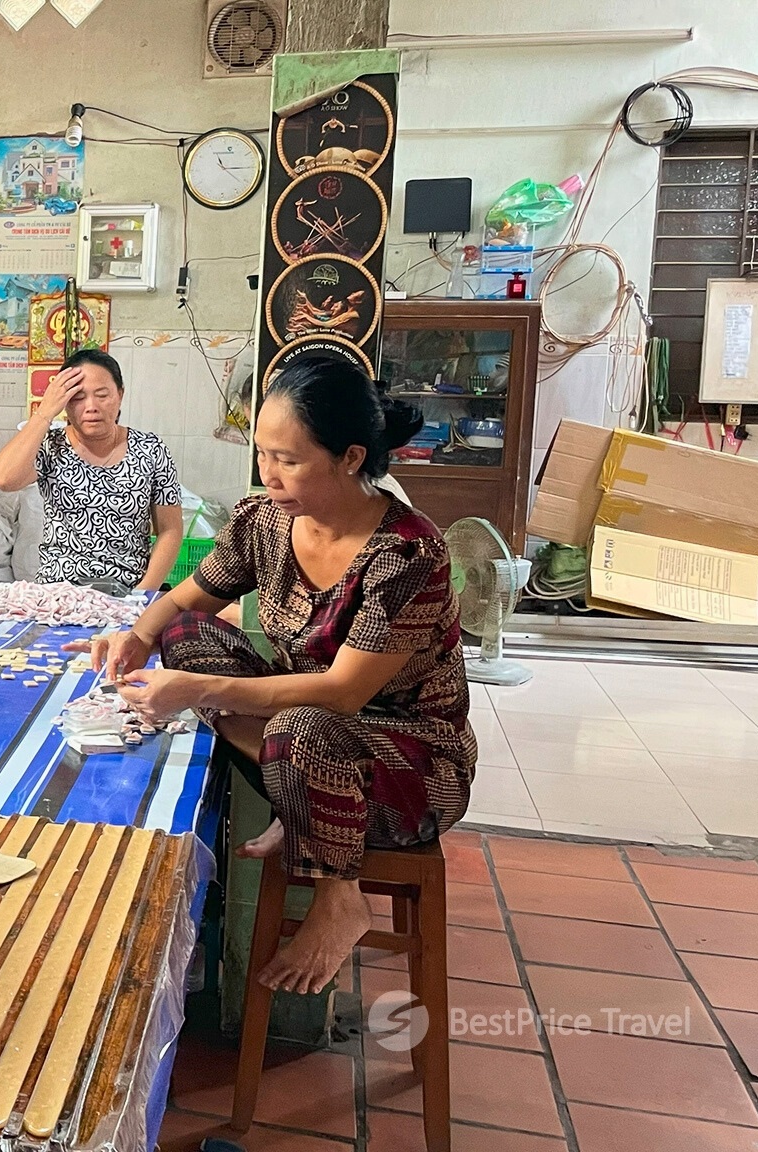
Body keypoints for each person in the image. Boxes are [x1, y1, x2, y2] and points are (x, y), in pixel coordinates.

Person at [80, 355, 475, 997]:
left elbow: (343, 692)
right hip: (302, 725)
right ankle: (301, 797)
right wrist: (139, 636)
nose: (268, 474)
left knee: (301, 733)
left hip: (409, 760)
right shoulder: (266, 520)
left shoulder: (407, 552)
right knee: (187, 638)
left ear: (350, 458)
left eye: (288, 460)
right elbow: (186, 600)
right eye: (262, 454)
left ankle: (340, 896)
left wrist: (198, 691)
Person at [0, 348, 183, 591]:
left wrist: (143, 593)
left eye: (102, 395)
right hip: (58, 591)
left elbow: (170, 530)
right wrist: (45, 411)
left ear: (120, 395)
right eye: (78, 397)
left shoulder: (151, 449)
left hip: (127, 590)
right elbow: (5, 479)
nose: (91, 407)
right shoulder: (51, 446)